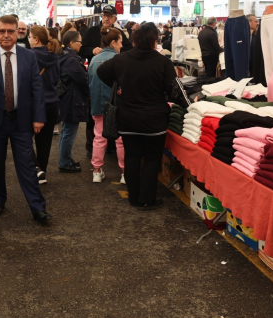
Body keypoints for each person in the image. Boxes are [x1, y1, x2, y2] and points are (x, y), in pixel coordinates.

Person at [96, 23, 187, 211]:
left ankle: (134, 198)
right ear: (155, 41)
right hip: (155, 120)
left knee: (132, 157)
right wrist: (191, 105)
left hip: (128, 117)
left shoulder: (122, 59)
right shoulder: (162, 62)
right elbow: (175, 91)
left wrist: (119, 86)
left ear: (134, 39)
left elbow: (101, 71)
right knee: (152, 159)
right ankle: (147, 199)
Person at [0, 15, 51, 224]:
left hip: (21, 120)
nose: (6, 35)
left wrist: (39, 117)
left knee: (27, 165)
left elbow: (37, 88)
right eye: (2, 31)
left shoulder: (28, 56)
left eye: (10, 31)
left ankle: (38, 208)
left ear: (18, 33)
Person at [87, 27, 125, 184]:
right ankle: (125, 173)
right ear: (113, 42)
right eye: (120, 42)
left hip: (97, 103)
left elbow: (89, 82)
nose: (122, 45)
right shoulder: (120, 60)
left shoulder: (94, 60)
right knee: (120, 139)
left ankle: (96, 171)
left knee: (99, 137)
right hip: (117, 105)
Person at [29, 26, 61, 185]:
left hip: (33, 102)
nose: (29, 40)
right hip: (52, 103)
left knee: (23, 139)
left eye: (30, 37)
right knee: (45, 142)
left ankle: (35, 168)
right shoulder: (55, 56)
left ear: (36, 39)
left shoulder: (29, 56)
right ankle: (42, 170)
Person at [58, 30, 89, 173]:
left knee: (66, 130)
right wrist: (88, 92)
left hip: (68, 98)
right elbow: (82, 79)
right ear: (71, 43)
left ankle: (65, 159)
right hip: (72, 99)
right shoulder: (71, 60)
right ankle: (65, 162)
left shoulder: (65, 56)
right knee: (69, 131)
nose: (81, 45)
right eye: (79, 42)